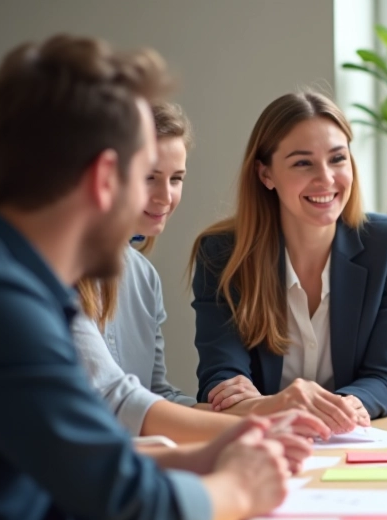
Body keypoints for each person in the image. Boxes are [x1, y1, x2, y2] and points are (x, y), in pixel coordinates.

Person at [0, 35, 300, 520]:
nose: (159, 200)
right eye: (144, 174)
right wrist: (240, 487)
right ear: (104, 179)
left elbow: (70, 469)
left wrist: (201, 457)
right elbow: (134, 514)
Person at [191, 91, 387, 434]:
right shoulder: (222, 254)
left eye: (337, 158)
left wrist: (327, 410)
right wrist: (278, 409)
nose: (326, 178)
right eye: (303, 163)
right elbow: (222, 380)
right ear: (266, 174)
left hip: (368, 434)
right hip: (270, 440)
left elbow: (384, 377)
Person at [71, 102, 298, 444]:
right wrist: (258, 425)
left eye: (176, 179)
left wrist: (252, 408)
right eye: (150, 177)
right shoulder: (61, 270)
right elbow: (114, 400)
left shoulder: (143, 276)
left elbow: (155, 395)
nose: (166, 196)